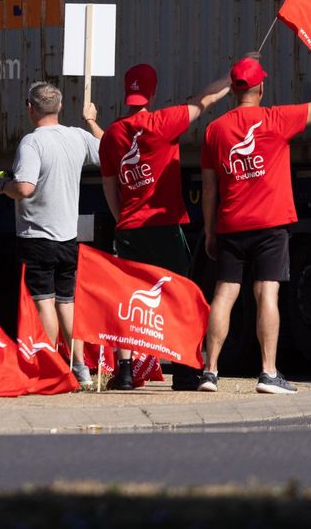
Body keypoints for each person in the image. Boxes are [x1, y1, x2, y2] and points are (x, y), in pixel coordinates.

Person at [199, 42, 311, 394]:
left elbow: (209, 190)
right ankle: (269, 373)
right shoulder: (275, 119)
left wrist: (210, 232)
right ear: (261, 88)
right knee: (266, 294)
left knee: (224, 294)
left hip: (230, 225)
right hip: (270, 226)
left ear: (234, 91)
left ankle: (210, 372)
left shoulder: (215, 131)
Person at [98, 62, 230, 390]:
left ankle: (125, 372)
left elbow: (109, 187)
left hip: (130, 227)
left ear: (127, 92)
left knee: (127, 298)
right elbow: (205, 100)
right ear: (153, 93)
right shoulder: (164, 122)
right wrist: (232, 75)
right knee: (178, 295)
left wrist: (123, 219)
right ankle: (184, 368)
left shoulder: (112, 133)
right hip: (166, 224)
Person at [0, 81, 102, 387]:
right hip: (68, 235)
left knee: (44, 302)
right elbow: (111, 150)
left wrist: (2, 186)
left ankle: (50, 366)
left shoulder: (32, 143)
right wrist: (91, 121)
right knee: (67, 303)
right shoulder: (77, 136)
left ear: (30, 108)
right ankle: (80, 368)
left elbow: (25, 188)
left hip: (37, 237)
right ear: (60, 107)